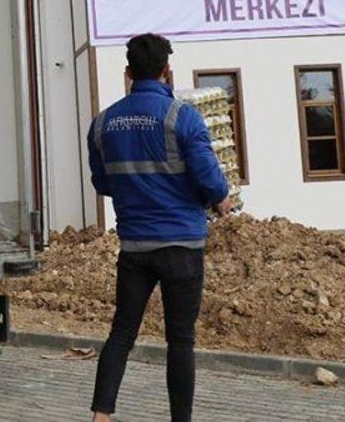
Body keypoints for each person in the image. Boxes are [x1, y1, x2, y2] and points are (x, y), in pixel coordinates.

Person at [87, 33, 231, 422]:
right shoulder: (183, 117)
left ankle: (101, 416)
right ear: (167, 71)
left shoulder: (102, 124)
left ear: (128, 72)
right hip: (182, 246)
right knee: (180, 340)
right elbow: (209, 178)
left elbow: (103, 184)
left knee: (121, 334)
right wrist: (221, 200)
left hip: (134, 247)